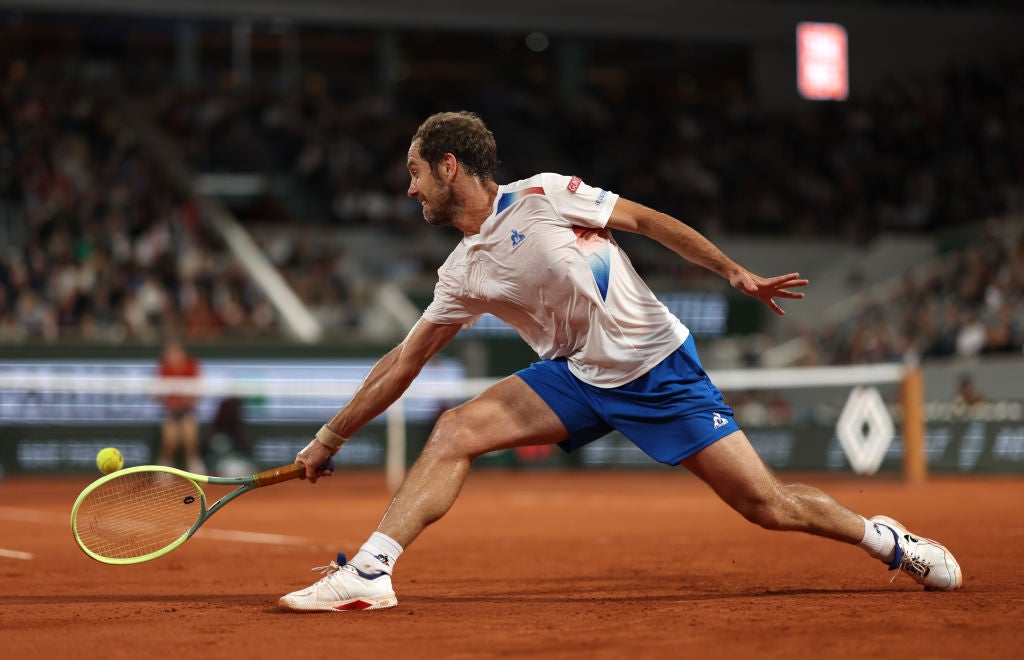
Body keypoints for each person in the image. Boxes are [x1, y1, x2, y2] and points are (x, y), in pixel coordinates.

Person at [279, 111, 962, 612]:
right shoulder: (460, 272)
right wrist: (329, 437)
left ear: (449, 166)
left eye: (415, 173)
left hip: (658, 370)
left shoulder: (545, 195)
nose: (411, 189)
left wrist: (734, 273)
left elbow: (647, 222)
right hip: (574, 377)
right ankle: (371, 570)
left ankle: (890, 542)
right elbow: (403, 363)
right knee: (456, 429)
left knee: (768, 505)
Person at [156, 339, 205, 473]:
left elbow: (197, 390)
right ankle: (164, 469)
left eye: (175, 352)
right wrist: (171, 404)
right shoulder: (164, 368)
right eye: (169, 352)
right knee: (169, 440)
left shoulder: (191, 365)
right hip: (171, 412)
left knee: (190, 438)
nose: (172, 355)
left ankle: (195, 467)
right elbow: (157, 393)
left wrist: (185, 403)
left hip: (188, 411)